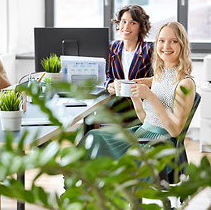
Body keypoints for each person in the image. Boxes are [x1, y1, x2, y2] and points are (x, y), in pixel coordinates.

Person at [78, 22, 195, 175]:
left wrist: (150, 96)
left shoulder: (185, 83)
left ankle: (91, 192)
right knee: (93, 136)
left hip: (158, 146)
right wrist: (134, 96)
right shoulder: (159, 76)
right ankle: (81, 187)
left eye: (173, 41)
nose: (166, 46)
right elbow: (145, 118)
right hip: (141, 134)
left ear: (182, 45)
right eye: (161, 40)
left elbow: (174, 131)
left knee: (104, 161)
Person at [105, 5, 154, 95]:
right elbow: (106, 76)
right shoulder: (112, 47)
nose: (126, 27)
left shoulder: (150, 49)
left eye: (133, 23)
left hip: (143, 104)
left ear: (141, 27)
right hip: (116, 104)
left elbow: (164, 78)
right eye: (123, 21)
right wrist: (110, 84)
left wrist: (150, 81)